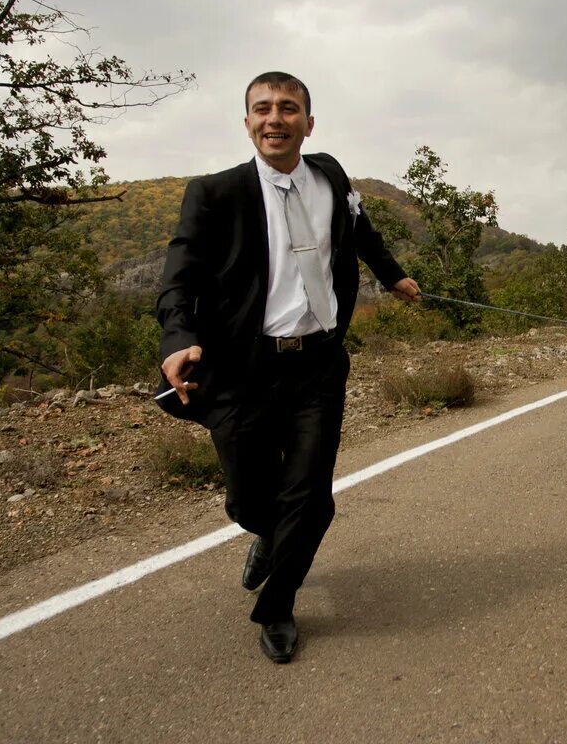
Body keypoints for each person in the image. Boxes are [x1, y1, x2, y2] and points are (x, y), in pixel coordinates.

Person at [156, 71, 420, 663]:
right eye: (263, 109)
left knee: (312, 499)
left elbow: (360, 230)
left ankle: (277, 606)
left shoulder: (329, 174)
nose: (275, 118)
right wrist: (178, 337)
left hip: (318, 365)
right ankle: (268, 535)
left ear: (308, 121)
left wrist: (391, 273)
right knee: (248, 499)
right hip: (242, 369)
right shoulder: (215, 194)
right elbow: (181, 275)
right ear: (247, 121)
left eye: (288, 108)